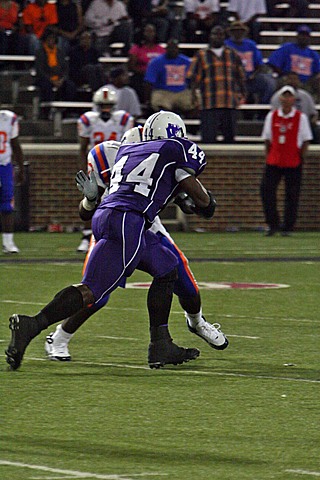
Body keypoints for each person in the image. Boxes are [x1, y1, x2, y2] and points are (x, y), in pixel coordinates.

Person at [5, 111, 218, 371]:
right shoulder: (173, 149)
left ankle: (160, 345)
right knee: (94, 290)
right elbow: (192, 187)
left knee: (167, 267)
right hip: (129, 220)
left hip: (117, 218)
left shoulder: (129, 151)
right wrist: (206, 204)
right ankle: (33, 325)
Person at [77, 86, 134, 253]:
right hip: (96, 164)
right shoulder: (88, 120)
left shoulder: (123, 119)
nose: (106, 109)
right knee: (91, 198)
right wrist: (82, 167)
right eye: (103, 105)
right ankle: (87, 235)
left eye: (108, 105)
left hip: (119, 165)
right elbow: (82, 147)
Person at [260, 85, 312, 236]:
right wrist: (269, 156)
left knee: (292, 194)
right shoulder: (272, 116)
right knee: (266, 191)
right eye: (284, 96)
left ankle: (288, 226)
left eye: (290, 96)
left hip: (293, 160)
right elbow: (267, 139)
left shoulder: (300, 117)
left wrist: (301, 157)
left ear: (294, 99)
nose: (287, 99)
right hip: (274, 160)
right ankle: (272, 224)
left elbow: (306, 140)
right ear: (280, 99)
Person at [187, 25, 247, 143]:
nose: (218, 37)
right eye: (215, 34)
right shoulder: (201, 55)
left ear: (224, 37)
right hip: (209, 101)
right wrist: (193, 96)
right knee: (208, 138)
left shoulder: (232, 54)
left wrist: (243, 93)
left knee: (229, 138)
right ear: (210, 36)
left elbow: (240, 77)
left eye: (220, 34)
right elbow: (194, 79)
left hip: (229, 101)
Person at [225, 21, 276, 106]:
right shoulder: (226, 45)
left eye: (241, 31)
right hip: (232, 79)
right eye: (235, 30)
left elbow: (259, 65)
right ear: (231, 32)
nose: (238, 33)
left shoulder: (251, 44)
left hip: (251, 79)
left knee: (269, 82)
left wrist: (253, 75)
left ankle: (263, 107)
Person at [144, 38, 197, 116]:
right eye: (171, 48)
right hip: (163, 91)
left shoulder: (187, 62)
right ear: (166, 49)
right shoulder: (156, 62)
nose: (173, 50)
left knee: (197, 103)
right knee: (159, 104)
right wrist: (147, 100)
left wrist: (194, 96)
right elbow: (149, 82)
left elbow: (193, 80)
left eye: (175, 48)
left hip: (182, 91)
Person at [268, 26, 320, 102]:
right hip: (287, 79)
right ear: (297, 36)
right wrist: (286, 76)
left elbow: (317, 72)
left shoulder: (313, 54)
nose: (304, 38)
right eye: (302, 35)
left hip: (306, 82)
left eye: (306, 36)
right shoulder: (287, 48)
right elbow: (273, 63)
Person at [270, 72, 319, 144]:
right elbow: (275, 116)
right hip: (284, 126)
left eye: (295, 79)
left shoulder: (306, 95)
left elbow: (313, 114)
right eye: (290, 79)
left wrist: (311, 122)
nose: (293, 81)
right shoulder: (277, 96)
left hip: (304, 126)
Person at [0, 107, 24, 253]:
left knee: (7, 204)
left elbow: (16, 145)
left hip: (4, 165)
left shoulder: (8, 118)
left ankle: (8, 242)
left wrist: (20, 167)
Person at [34, 28, 76, 108]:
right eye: (49, 38)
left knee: (70, 86)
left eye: (53, 38)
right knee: (46, 87)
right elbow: (40, 70)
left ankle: (66, 109)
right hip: (46, 79)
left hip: (59, 78)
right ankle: (46, 110)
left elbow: (65, 68)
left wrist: (62, 79)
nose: (51, 41)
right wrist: (51, 80)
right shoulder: (39, 53)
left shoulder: (60, 52)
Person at [128, 23, 165, 104]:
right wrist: (148, 73)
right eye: (147, 31)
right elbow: (131, 67)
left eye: (152, 31)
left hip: (158, 77)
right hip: (142, 75)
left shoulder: (161, 49)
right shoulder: (136, 48)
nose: (150, 34)